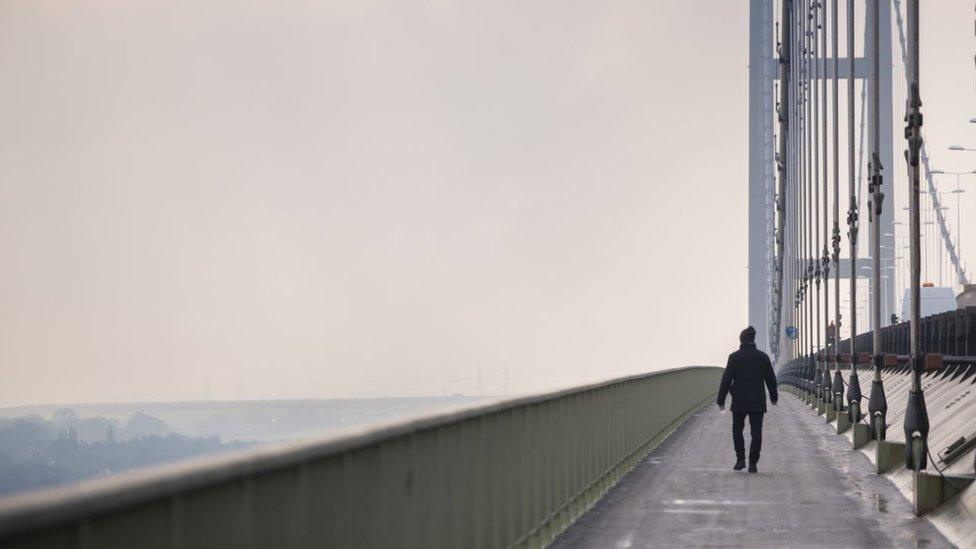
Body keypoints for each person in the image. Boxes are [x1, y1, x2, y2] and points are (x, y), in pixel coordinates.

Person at [716, 326, 778, 473]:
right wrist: (774, 397)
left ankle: (740, 459)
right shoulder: (763, 357)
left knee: (737, 429)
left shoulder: (734, 357)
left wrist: (721, 400)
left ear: (741, 340)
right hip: (757, 401)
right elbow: (771, 380)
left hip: (739, 401)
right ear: (753, 340)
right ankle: (753, 463)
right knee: (756, 432)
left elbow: (726, 380)